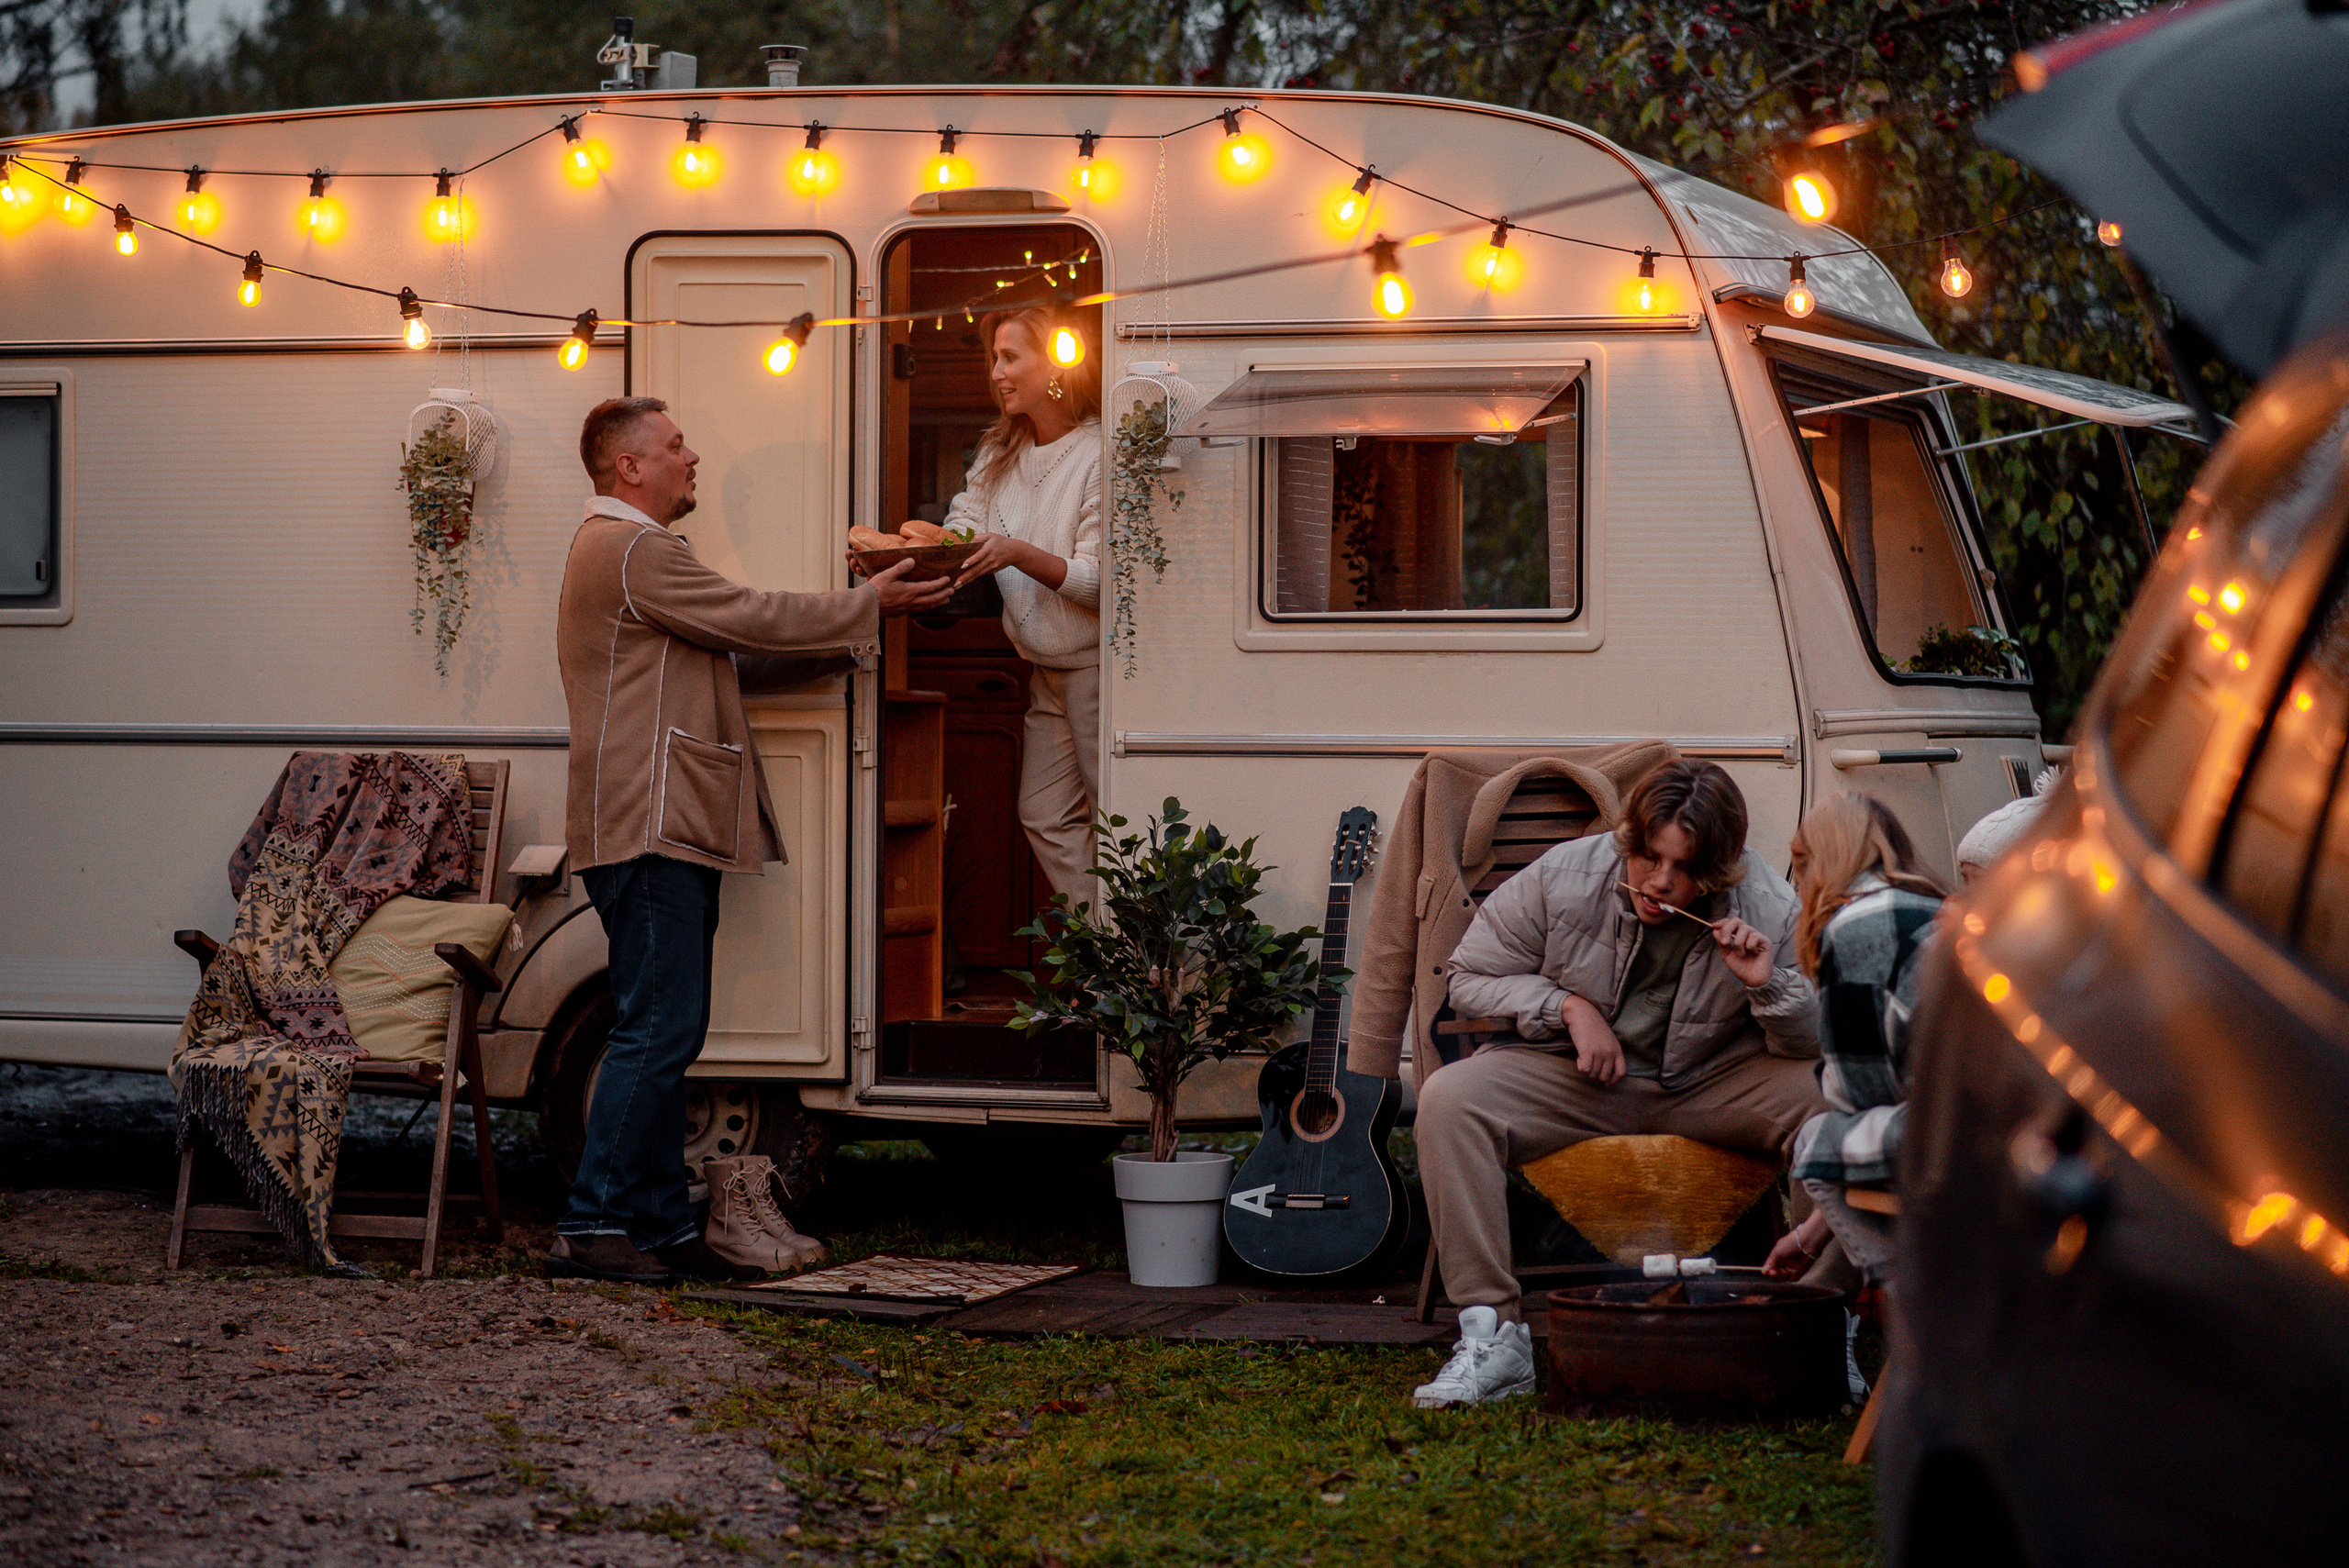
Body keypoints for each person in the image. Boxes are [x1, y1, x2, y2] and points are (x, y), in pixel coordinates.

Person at [551, 396, 953, 1284]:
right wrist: (864, 603)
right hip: (650, 825)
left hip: (651, 824)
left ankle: (657, 1224)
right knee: (658, 1027)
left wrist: (855, 633)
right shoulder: (633, 548)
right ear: (629, 467)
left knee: (664, 1028)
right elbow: (750, 614)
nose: (689, 458)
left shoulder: (627, 553)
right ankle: (591, 1223)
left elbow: (735, 655)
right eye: (674, 445)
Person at [1408, 759, 1823, 1407]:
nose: (1659, 882)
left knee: (1831, 1102)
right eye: (1648, 857)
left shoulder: (1766, 904)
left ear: (1717, 871)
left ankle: (1818, 1328)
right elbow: (1467, 975)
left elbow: (1811, 1043)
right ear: (1629, 839)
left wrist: (1767, 984)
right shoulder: (1565, 873)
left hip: (1711, 1081)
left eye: (1684, 869)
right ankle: (1494, 1335)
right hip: (1577, 1080)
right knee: (1449, 1100)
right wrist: (1567, 1008)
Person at [937, 306, 1105, 906]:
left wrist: (1013, 552)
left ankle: (1133, 979)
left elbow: (1096, 583)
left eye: (1010, 357)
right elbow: (963, 531)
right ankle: (1108, 959)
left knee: (1118, 830)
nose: (996, 373)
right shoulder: (997, 452)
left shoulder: (1097, 453)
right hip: (1045, 672)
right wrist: (910, 547)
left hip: (1096, 676)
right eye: (994, 359)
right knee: (1043, 814)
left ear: (1056, 366)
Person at [1763, 793, 1945, 1284]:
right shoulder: (1938, 909)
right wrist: (1810, 1235)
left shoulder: (1857, 928)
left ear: (1812, 865)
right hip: (2013, 1119)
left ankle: (1906, 1295)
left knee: (1815, 1142)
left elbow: (1858, 1095)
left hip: (1954, 1134)